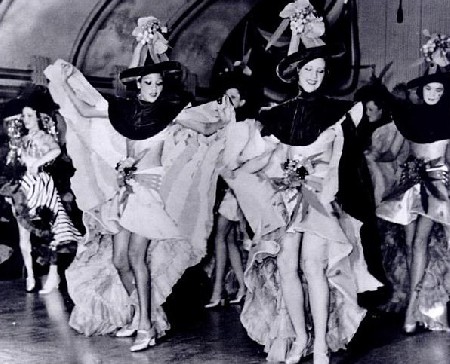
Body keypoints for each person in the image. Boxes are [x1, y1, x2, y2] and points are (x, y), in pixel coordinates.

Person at [45, 16, 233, 352]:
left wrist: (225, 117)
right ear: (139, 85)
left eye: (158, 85)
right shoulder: (124, 112)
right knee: (120, 261)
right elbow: (86, 113)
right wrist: (62, 89)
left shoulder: (168, 113)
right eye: (148, 84)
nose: (155, 90)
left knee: (136, 257)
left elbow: (205, 128)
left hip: (149, 194)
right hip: (125, 192)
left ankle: (145, 325)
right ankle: (141, 315)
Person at [223, 2, 382, 363]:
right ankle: (298, 337)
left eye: (320, 69)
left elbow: (342, 163)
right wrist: (255, 168)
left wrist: (319, 189)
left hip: (319, 200)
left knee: (313, 267)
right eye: (308, 69)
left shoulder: (338, 112)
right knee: (285, 267)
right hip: (287, 199)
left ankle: (322, 344)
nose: (314, 75)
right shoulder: (276, 114)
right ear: (297, 72)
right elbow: (270, 161)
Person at [376, 64, 450, 333]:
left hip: (437, 186)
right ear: (421, 91)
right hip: (411, 181)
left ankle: (412, 309)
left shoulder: (448, 117)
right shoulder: (410, 116)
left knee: (420, 242)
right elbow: (399, 152)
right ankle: (413, 300)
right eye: (429, 89)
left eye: (439, 90)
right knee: (409, 244)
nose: (433, 93)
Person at [0, 86, 83, 293]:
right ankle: (30, 275)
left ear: (38, 118)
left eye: (29, 116)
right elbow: (13, 166)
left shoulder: (45, 138)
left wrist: (38, 162)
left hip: (42, 186)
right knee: (24, 235)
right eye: (24, 116)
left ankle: (53, 275)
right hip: (25, 187)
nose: (25, 119)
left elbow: (55, 151)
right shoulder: (21, 141)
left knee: (51, 232)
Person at [205, 69, 260, 308]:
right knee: (227, 240)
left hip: (238, 187)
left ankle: (219, 292)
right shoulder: (227, 125)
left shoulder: (246, 125)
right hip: (228, 187)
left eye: (234, 99)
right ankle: (241, 289)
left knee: (221, 236)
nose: (228, 103)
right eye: (225, 98)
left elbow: (242, 158)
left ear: (243, 101)